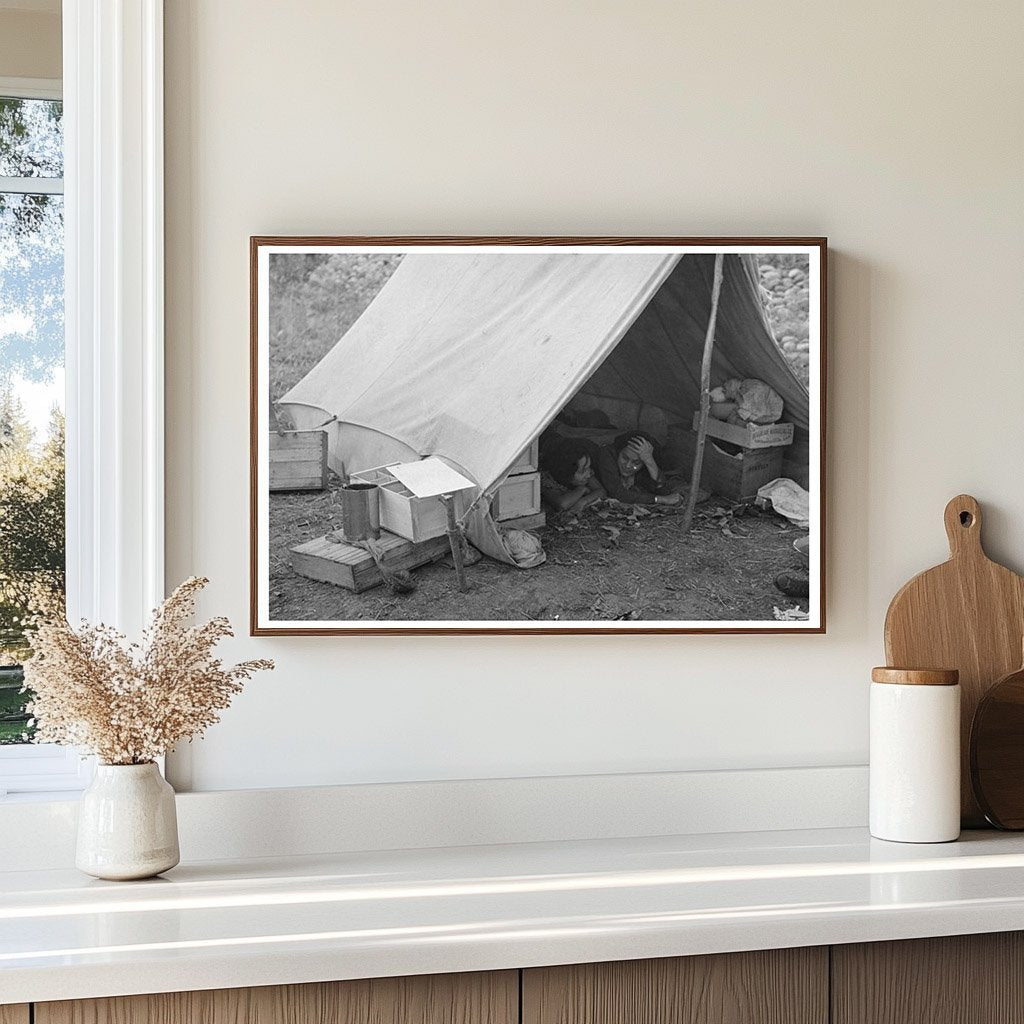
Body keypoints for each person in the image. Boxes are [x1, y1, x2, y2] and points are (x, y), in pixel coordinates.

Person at [592, 431, 681, 506]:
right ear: (618, 452)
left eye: (636, 462)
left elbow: (664, 491)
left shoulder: (644, 467)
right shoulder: (607, 455)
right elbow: (618, 493)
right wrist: (659, 499)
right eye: (625, 458)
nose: (628, 466)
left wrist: (650, 462)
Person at [539, 438, 606, 513]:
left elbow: (601, 491)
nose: (588, 474)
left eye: (588, 467)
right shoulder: (546, 479)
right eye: (582, 471)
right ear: (567, 472)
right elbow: (562, 504)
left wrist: (583, 501)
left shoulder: (585, 476)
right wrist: (582, 489)